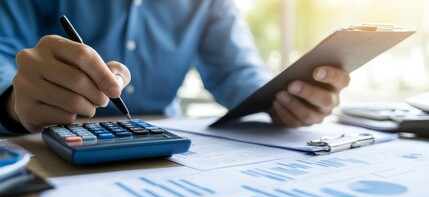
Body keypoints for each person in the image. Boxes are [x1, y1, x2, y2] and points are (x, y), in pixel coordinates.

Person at [0, 0, 350, 135]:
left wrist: (286, 94)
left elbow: (236, 72)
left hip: (160, 144)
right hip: (50, 140)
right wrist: (13, 101)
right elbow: (3, 54)